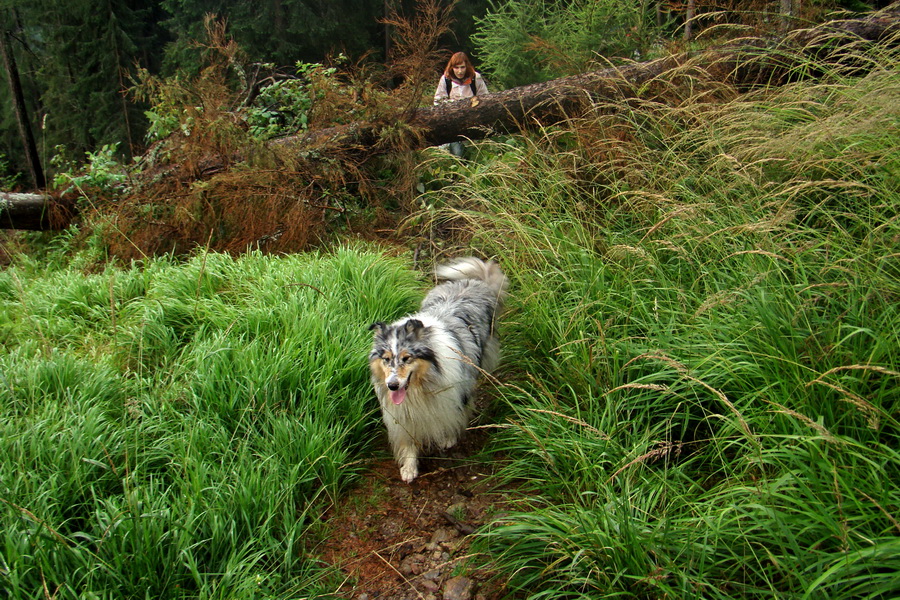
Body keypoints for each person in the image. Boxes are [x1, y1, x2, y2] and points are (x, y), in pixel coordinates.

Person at [433, 51, 488, 156]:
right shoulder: (446, 79)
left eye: (462, 67)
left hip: (472, 122)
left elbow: (486, 98)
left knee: (474, 153)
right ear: (452, 67)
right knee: (454, 154)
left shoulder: (475, 78)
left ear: (467, 66)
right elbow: (437, 101)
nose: (459, 71)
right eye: (456, 68)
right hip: (452, 123)